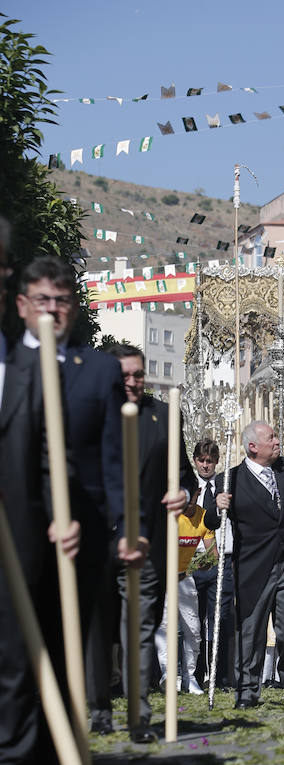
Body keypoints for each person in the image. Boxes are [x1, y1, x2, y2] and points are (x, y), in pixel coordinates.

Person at [16, 256, 147, 738]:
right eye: (42, 300)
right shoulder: (10, 363)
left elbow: (114, 457)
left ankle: (84, 716)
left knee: (87, 623)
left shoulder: (96, 371)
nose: (52, 310)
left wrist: (126, 526)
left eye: (62, 301)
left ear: (74, 307)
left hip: (86, 523)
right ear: (23, 305)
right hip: (22, 523)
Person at [0, 227, 79, 765]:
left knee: (18, 650)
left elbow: (47, 456)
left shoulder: (23, 364)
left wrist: (59, 513)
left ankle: (17, 762)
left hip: (23, 532)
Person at [205, 414, 284, 709]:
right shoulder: (232, 478)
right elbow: (211, 520)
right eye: (271, 438)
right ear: (253, 447)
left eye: (276, 437)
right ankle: (248, 689)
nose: (277, 442)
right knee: (250, 631)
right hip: (253, 568)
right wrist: (218, 505)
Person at [105, 344, 197, 742]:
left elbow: (185, 475)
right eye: (124, 375)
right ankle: (96, 706)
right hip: (98, 538)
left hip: (150, 540)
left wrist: (184, 494)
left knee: (141, 626)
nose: (133, 382)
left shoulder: (164, 416)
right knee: (98, 627)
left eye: (138, 375)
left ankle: (138, 715)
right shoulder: (91, 413)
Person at [155, 489, 215, 694]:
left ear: (198, 494)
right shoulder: (170, 515)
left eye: (192, 498)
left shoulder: (203, 516)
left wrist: (201, 563)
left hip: (185, 576)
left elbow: (212, 554)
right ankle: (168, 675)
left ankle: (190, 677)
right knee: (165, 627)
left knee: (193, 629)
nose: (188, 503)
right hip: (163, 578)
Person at [191, 438, 234, 689]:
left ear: (216, 462)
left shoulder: (225, 485)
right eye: (201, 460)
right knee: (193, 620)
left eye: (210, 461)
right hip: (194, 556)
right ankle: (195, 674)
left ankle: (220, 675)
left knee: (220, 618)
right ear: (195, 460)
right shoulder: (188, 487)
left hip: (223, 557)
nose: (205, 465)